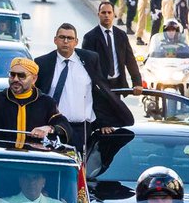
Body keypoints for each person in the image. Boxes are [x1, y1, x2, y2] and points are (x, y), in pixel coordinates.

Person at [35, 23, 133, 153]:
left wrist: (103, 122)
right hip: (52, 128)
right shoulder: (43, 63)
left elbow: (98, 92)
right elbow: (37, 96)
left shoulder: (90, 59)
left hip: (80, 129)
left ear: (76, 41)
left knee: (79, 168)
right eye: (62, 37)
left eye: (70, 38)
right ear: (55, 40)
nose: (65, 41)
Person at [0, 56, 71, 149]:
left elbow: (63, 125)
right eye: (12, 75)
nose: (15, 79)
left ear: (34, 79)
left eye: (21, 76)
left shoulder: (46, 103)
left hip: (32, 163)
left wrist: (50, 128)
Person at [83, 1, 143, 95]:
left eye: (109, 12)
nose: (106, 15)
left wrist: (137, 83)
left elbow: (130, 60)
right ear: (98, 14)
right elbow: (87, 66)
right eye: (103, 13)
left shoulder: (121, 35)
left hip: (118, 85)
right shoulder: (90, 37)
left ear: (114, 15)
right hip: (99, 88)